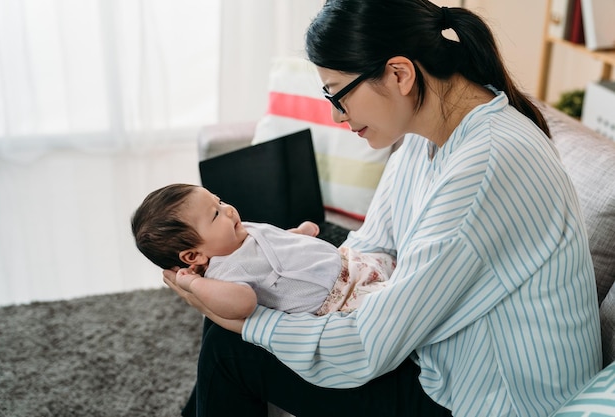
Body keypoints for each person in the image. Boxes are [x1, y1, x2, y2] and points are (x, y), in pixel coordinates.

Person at [163, 1, 602, 416]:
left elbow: (367, 347)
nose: (337, 116)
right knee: (241, 275)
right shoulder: (428, 132)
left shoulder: (486, 166)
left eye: (339, 94)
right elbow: (374, 248)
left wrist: (250, 324)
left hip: (488, 396)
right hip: (436, 352)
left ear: (399, 74)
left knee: (231, 344)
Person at [131, 183, 395, 317]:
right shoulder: (224, 273)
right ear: (193, 256)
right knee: (392, 303)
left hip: (349, 263)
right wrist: (194, 286)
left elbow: (276, 245)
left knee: (394, 261)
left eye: (219, 201)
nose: (228, 209)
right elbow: (243, 303)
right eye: (215, 214)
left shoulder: (238, 231)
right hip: (342, 298)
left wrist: (298, 233)